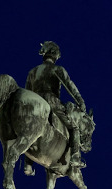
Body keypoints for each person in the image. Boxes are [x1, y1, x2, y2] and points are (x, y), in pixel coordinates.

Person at [23, 41, 87, 174]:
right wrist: (80, 101)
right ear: (54, 54)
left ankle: (28, 163)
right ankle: (75, 157)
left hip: (34, 103)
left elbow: (27, 92)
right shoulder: (57, 69)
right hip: (51, 101)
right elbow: (70, 86)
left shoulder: (32, 71)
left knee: (28, 129)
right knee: (74, 127)